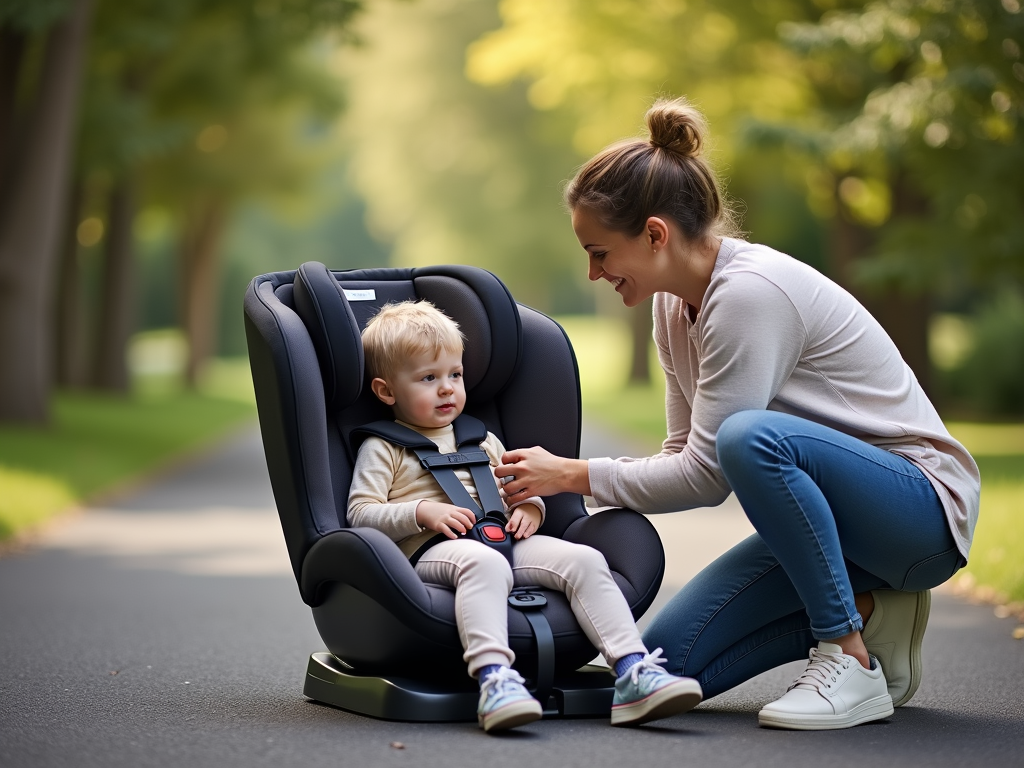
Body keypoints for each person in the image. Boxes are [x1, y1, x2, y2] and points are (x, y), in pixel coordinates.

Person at [494, 97, 981, 731]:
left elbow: (713, 471)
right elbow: (681, 456)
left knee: (750, 438)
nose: (592, 274)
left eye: (600, 253)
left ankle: (848, 655)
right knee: (660, 668)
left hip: (919, 512)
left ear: (655, 234)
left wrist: (572, 475)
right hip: (836, 530)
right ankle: (867, 608)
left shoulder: (750, 294)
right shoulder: (673, 308)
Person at [347, 300, 703, 733]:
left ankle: (633, 671)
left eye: (454, 375)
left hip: (505, 540)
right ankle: (495, 680)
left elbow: (521, 491)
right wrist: (422, 511)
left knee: (586, 560)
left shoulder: (483, 440)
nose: (447, 389)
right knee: (484, 563)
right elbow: (361, 514)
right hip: (431, 554)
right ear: (387, 391)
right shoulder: (384, 448)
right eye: (428, 378)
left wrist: (530, 509)